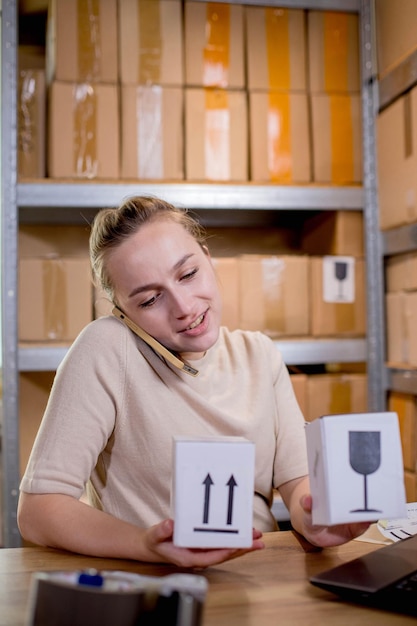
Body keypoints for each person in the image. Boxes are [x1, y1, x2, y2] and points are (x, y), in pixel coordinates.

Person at [17, 195, 370, 568]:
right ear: (121, 310)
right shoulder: (108, 348)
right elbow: (38, 511)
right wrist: (145, 545)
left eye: (188, 274)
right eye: (150, 300)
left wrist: (318, 521)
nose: (184, 307)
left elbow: (298, 482)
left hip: (259, 579)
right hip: (156, 583)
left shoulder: (259, 354)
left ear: (207, 256)